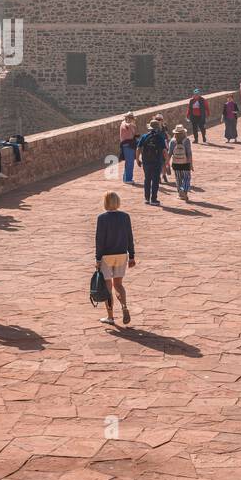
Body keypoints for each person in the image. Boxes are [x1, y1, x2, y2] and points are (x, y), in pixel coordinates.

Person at [95, 191, 135, 326]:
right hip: (122, 255)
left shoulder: (102, 218)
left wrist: (98, 259)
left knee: (108, 287)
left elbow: (99, 240)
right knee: (118, 284)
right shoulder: (125, 217)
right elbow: (130, 236)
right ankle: (124, 306)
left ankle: (110, 317)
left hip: (107, 256)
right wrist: (132, 256)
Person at [137, 119, 167, 205]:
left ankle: (147, 198)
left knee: (147, 179)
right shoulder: (160, 137)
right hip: (157, 161)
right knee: (155, 180)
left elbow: (138, 149)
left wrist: (137, 159)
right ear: (158, 128)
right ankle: (153, 199)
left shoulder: (144, 136)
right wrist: (167, 161)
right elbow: (164, 151)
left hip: (146, 161)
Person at [167, 124, 194, 202]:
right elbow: (189, 153)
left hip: (175, 163)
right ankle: (183, 190)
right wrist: (191, 164)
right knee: (187, 177)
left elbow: (170, 153)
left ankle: (180, 194)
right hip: (185, 162)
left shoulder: (172, 141)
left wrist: (167, 163)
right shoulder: (186, 140)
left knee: (178, 178)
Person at [119, 112, 138, 184]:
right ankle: (128, 179)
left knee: (129, 162)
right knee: (130, 163)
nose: (131, 119)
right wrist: (131, 125)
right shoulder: (124, 123)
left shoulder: (129, 124)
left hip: (129, 144)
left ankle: (126, 178)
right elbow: (126, 126)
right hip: (127, 145)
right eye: (130, 118)